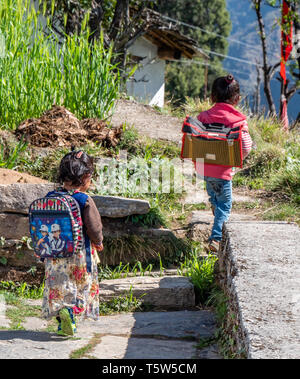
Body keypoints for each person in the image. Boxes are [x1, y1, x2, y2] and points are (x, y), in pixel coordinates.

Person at [41, 149, 104, 336]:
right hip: (79, 255)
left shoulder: (51, 197)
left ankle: (63, 319)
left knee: (60, 287)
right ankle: (72, 313)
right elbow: (94, 228)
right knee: (80, 286)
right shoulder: (83, 199)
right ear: (86, 177)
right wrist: (98, 241)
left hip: (54, 254)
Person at [195, 74, 252, 252]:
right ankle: (216, 238)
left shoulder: (203, 117)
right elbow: (245, 145)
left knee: (215, 195)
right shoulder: (238, 121)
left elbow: (194, 141)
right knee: (226, 205)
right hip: (223, 171)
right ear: (237, 99)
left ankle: (214, 204)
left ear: (212, 97)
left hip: (205, 169)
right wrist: (236, 158)